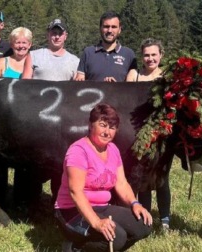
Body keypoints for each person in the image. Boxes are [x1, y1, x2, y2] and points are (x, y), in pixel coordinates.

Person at [54, 103, 152, 252]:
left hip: (101, 207)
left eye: (112, 128)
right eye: (102, 125)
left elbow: (121, 183)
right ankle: (74, 247)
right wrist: (97, 223)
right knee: (117, 237)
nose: (107, 132)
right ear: (90, 125)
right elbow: (76, 192)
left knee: (143, 226)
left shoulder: (113, 150)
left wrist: (134, 203)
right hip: (71, 211)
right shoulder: (78, 151)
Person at [126, 38, 171, 230]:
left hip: (163, 134)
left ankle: (165, 219)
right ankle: (146, 218)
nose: (150, 58)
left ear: (161, 55)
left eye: (154, 54)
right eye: (146, 55)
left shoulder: (168, 77)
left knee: (161, 178)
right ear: (141, 56)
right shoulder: (134, 75)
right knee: (142, 176)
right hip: (138, 134)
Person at [75, 11, 137, 82]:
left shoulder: (129, 54)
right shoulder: (88, 52)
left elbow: (132, 86)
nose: (109, 30)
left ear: (119, 30)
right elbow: (80, 82)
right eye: (106, 27)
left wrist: (116, 87)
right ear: (100, 28)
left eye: (114, 27)